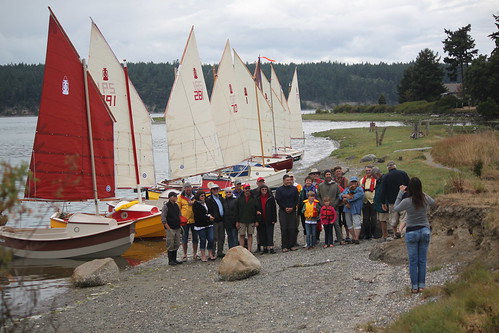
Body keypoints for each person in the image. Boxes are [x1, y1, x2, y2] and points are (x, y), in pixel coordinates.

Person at [394, 177, 435, 293]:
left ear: (409, 188)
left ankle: (414, 287)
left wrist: (400, 192)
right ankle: (422, 285)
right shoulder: (424, 198)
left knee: (413, 261)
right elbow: (433, 202)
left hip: (411, 231)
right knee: (422, 260)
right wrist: (421, 192)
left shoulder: (407, 201)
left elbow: (396, 208)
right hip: (424, 230)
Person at [379, 161, 410, 238]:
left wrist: (383, 202)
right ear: (395, 166)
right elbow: (409, 185)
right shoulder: (403, 173)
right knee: (404, 217)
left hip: (392, 201)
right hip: (404, 200)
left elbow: (382, 190)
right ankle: (402, 233)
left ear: (388, 168)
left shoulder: (386, 176)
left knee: (394, 218)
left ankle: (395, 233)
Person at [318, 169, 344, 245]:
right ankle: (328, 241)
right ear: (324, 176)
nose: (328, 176)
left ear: (331, 175)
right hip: (324, 209)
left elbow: (338, 196)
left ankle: (340, 239)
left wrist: (334, 204)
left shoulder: (335, 185)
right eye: (327, 175)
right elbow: (318, 196)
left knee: (336, 224)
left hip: (334, 208)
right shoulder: (320, 185)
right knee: (326, 226)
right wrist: (322, 204)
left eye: (329, 174)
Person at [275, 174, 299, 252]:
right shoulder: (279, 189)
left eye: (290, 180)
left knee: (292, 228)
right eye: (287, 180)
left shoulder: (294, 189)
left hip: (292, 210)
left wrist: (292, 207)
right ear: (284, 181)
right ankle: (284, 246)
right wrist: (285, 208)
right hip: (283, 210)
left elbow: (296, 199)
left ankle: (292, 245)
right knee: (284, 228)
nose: (289, 181)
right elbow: (278, 200)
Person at [339, 176, 364, 244]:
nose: (353, 183)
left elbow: (353, 197)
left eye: (355, 182)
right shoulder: (347, 189)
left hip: (356, 208)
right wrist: (344, 196)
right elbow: (340, 195)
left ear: (357, 182)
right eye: (352, 182)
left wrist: (345, 197)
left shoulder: (360, 190)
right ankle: (353, 237)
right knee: (349, 223)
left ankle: (356, 238)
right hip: (347, 208)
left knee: (357, 222)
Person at [192, 191, 216, 262]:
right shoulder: (195, 204)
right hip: (200, 225)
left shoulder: (207, 202)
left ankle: (210, 253)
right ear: (198, 197)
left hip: (209, 224)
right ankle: (203, 255)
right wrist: (208, 217)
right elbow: (198, 215)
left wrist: (211, 216)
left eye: (204, 196)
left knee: (211, 238)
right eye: (201, 196)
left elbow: (211, 210)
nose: (203, 197)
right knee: (203, 239)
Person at [235, 184, 259, 252]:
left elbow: (257, 210)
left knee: (250, 235)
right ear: (243, 189)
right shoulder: (239, 199)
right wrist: (237, 221)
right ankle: (242, 250)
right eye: (246, 188)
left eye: (248, 188)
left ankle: (249, 249)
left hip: (251, 220)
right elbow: (237, 211)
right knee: (242, 235)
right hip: (242, 220)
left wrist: (256, 220)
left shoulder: (254, 198)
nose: (247, 190)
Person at [178, 182, 198, 261]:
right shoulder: (180, 197)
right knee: (184, 238)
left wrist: (194, 203)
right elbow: (178, 208)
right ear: (184, 189)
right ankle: (184, 254)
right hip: (184, 221)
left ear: (191, 188)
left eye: (189, 187)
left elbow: (200, 203)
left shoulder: (195, 196)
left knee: (195, 238)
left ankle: (195, 254)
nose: (188, 189)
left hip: (194, 220)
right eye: (186, 188)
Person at [162, 192, 183, 266]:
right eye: (175, 197)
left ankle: (174, 259)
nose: (176, 198)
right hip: (170, 228)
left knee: (176, 243)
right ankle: (170, 260)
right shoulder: (166, 206)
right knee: (170, 244)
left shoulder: (176, 206)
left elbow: (179, 215)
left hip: (177, 227)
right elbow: (163, 219)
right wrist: (168, 228)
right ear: (171, 197)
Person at [255, 184, 277, 254]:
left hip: (269, 218)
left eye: (265, 189)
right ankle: (264, 247)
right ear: (260, 190)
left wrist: (274, 219)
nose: (264, 191)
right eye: (263, 190)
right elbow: (255, 208)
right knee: (262, 233)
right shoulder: (257, 198)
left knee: (270, 233)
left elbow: (274, 209)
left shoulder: (271, 197)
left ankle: (271, 247)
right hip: (261, 218)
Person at [206, 183, 226, 258]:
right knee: (214, 237)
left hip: (221, 220)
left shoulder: (221, 198)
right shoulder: (209, 199)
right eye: (214, 189)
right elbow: (208, 210)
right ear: (211, 190)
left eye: (217, 189)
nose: (215, 190)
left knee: (222, 237)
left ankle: (220, 251)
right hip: (214, 221)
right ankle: (212, 252)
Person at [371, 167, 391, 241]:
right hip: (379, 203)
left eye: (373, 175)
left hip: (383, 203)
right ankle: (384, 234)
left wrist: (384, 203)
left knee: (383, 220)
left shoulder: (383, 180)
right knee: (381, 219)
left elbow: (384, 192)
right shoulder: (379, 180)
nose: (373, 177)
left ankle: (385, 235)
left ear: (377, 174)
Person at [298, 176, 317, 247]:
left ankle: (314, 241)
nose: (308, 182)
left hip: (313, 210)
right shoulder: (302, 190)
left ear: (312, 182)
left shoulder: (314, 189)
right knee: (305, 226)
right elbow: (300, 200)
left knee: (314, 227)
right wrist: (300, 211)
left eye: (309, 181)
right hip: (305, 210)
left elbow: (317, 198)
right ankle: (306, 241)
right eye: (307, 181)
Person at [333, 166, 350, 242]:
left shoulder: (345, 180)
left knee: (346, 219)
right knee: (338, 220)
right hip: (336, 203)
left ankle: (347, 235)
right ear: (335, 173)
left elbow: (348, 189)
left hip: (344, 202)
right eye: (337, 171)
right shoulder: (333, 181)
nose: (339, 172)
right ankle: (340, 236)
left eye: (339, 171)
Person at [360, 165, 377, 240]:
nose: (367, 172)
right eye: (366, 170)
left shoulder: (376, 180)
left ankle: (374, 233)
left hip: (373, 201)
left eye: (369, 170)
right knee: (365, 219)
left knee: (374, 218)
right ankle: (367, 234)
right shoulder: (362, 180)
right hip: (365, 201)